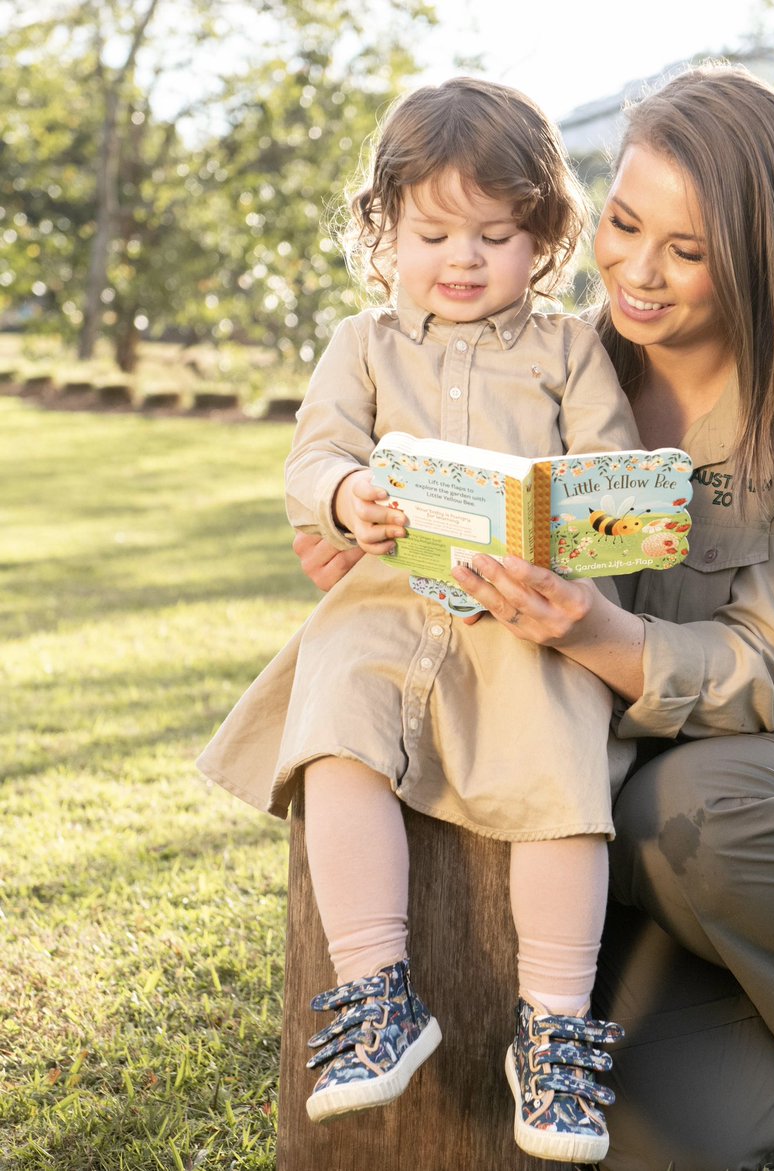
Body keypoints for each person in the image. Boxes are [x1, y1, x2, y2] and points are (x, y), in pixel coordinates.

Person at [292, 61, 774, 1171]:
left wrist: (585, 630)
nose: (638, 272)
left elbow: (766, 674)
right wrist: (369, 537)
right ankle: (747, 983)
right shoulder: (549, 350)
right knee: (671, 1145)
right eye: (625, 223)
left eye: (686, 251)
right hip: (622, 791)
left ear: (759, 257)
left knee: (692, 807)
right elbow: (389, 478)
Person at [197, 77, 638, 1165]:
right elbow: (316, 454)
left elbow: (610, 476)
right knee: (336, 724)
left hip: (521, 615)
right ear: (384, 230)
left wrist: (570, 523)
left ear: (543, 238)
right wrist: (346, 495)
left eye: (496, 235)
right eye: (434, 233)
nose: (463, 259)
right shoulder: (361, 343)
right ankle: (376, 992)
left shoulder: (569, 351)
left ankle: (554, 1033)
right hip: (389, 603)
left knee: (563, 773)